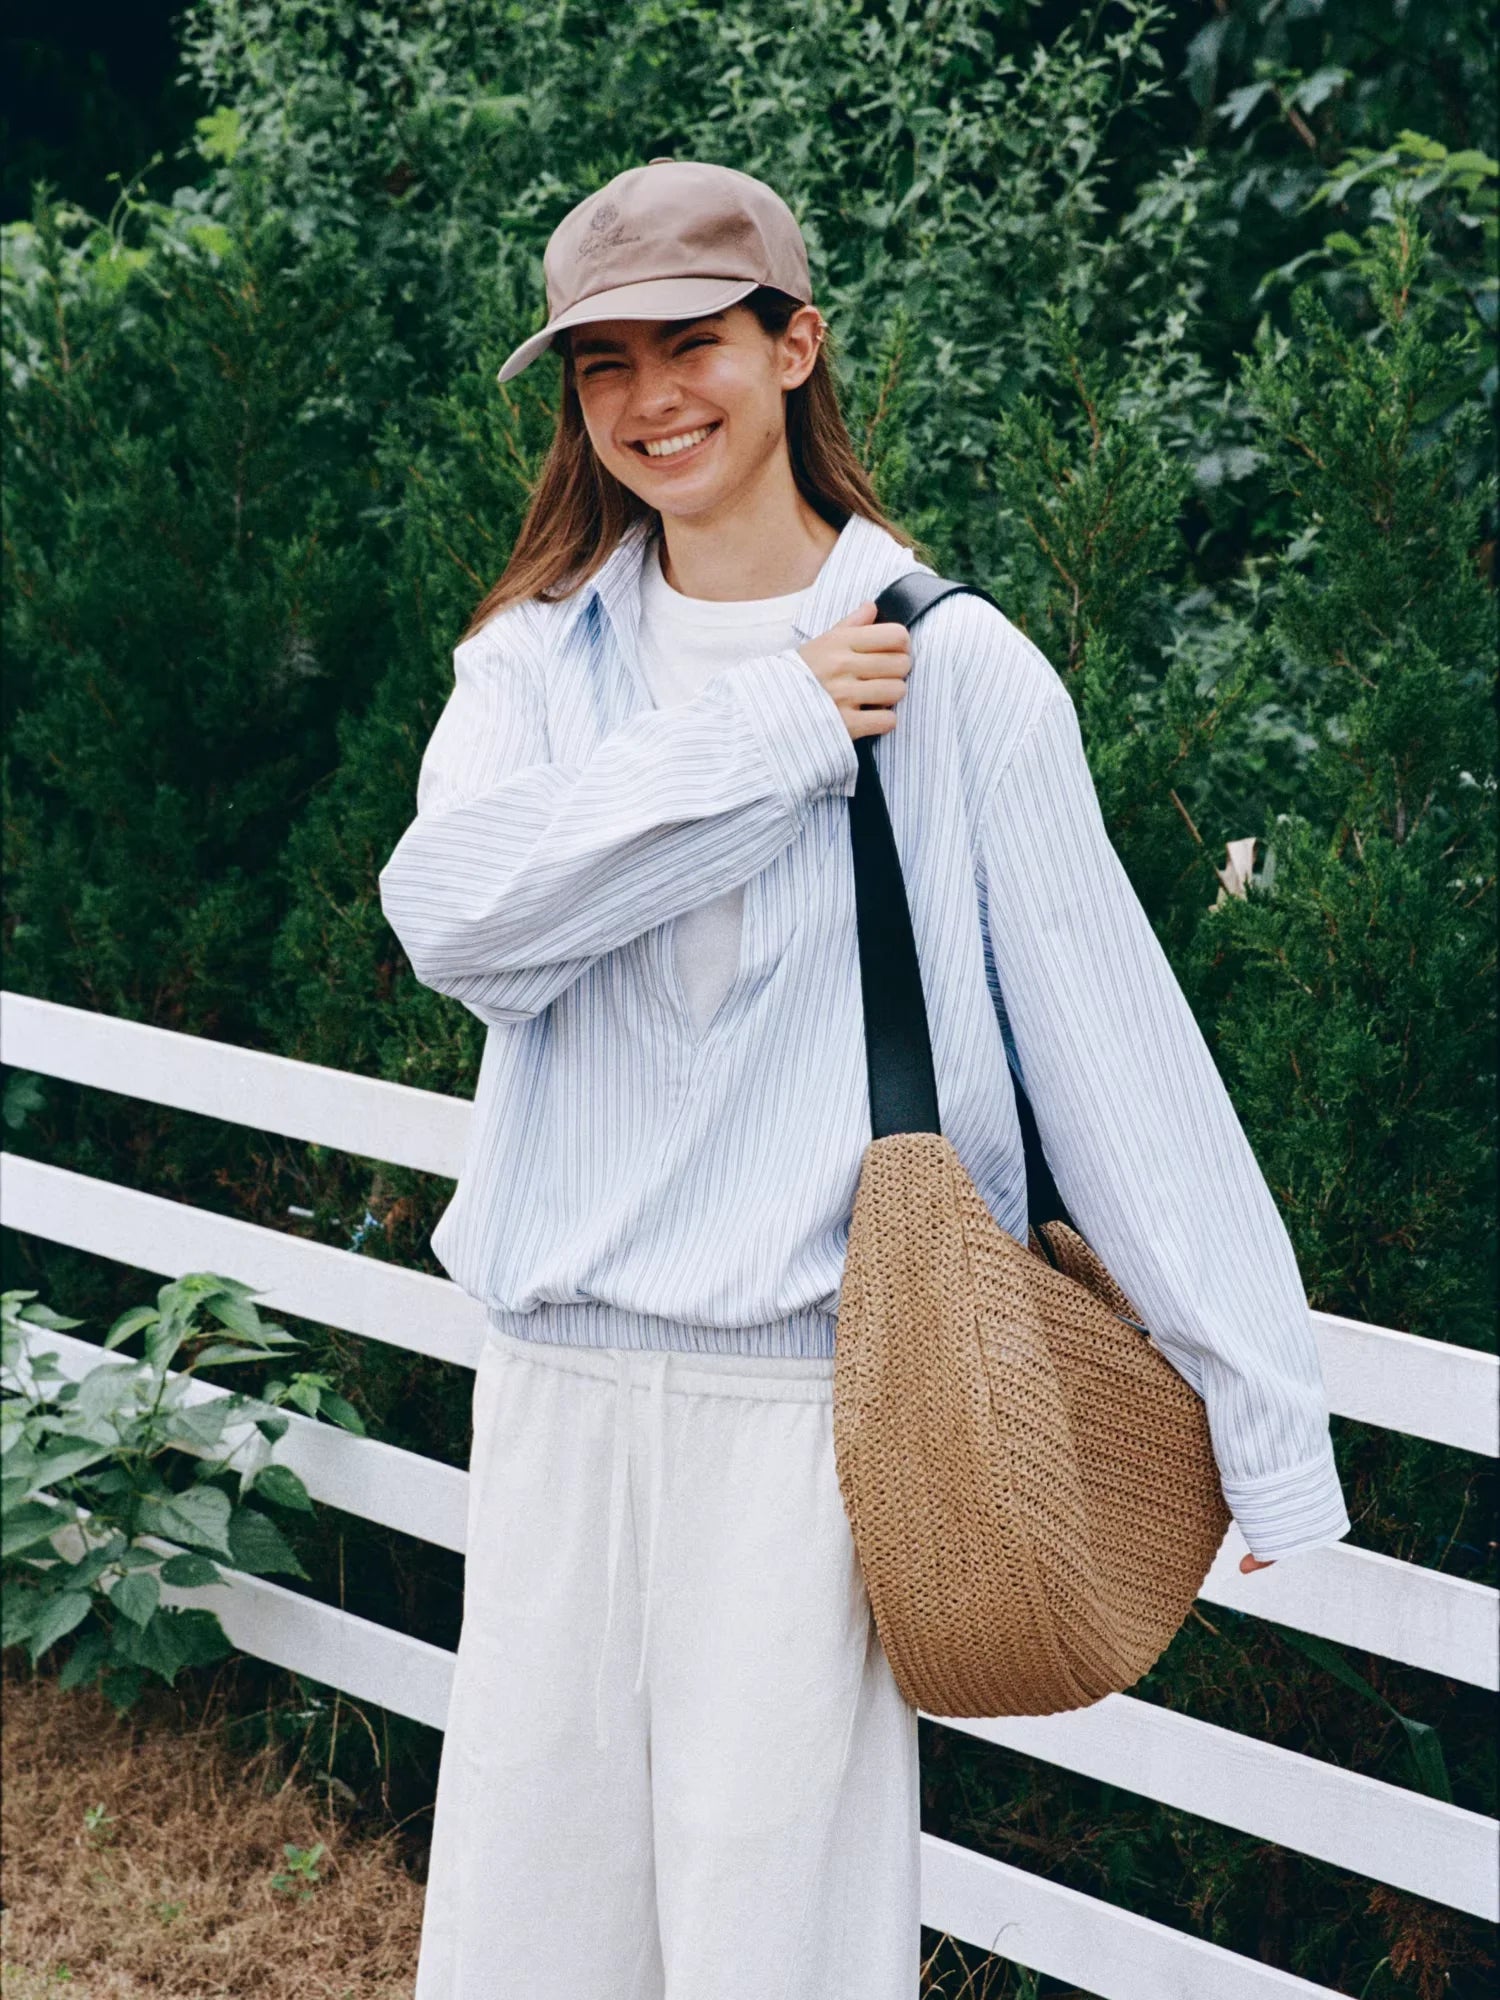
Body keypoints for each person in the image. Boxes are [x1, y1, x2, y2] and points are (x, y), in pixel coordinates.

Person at [377, 157, 1351, 2000]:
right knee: (526, 1930)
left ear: (794, 344)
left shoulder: (962, 670)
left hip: (814, 1416)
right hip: (555, 1385)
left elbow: (1119, 1060)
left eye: (692, 344)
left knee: (778, 1941)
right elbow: (459, 924)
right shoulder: (536, 656)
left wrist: (1264, 1421)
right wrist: (775, 729)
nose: (650, 398)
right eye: (603, 364)